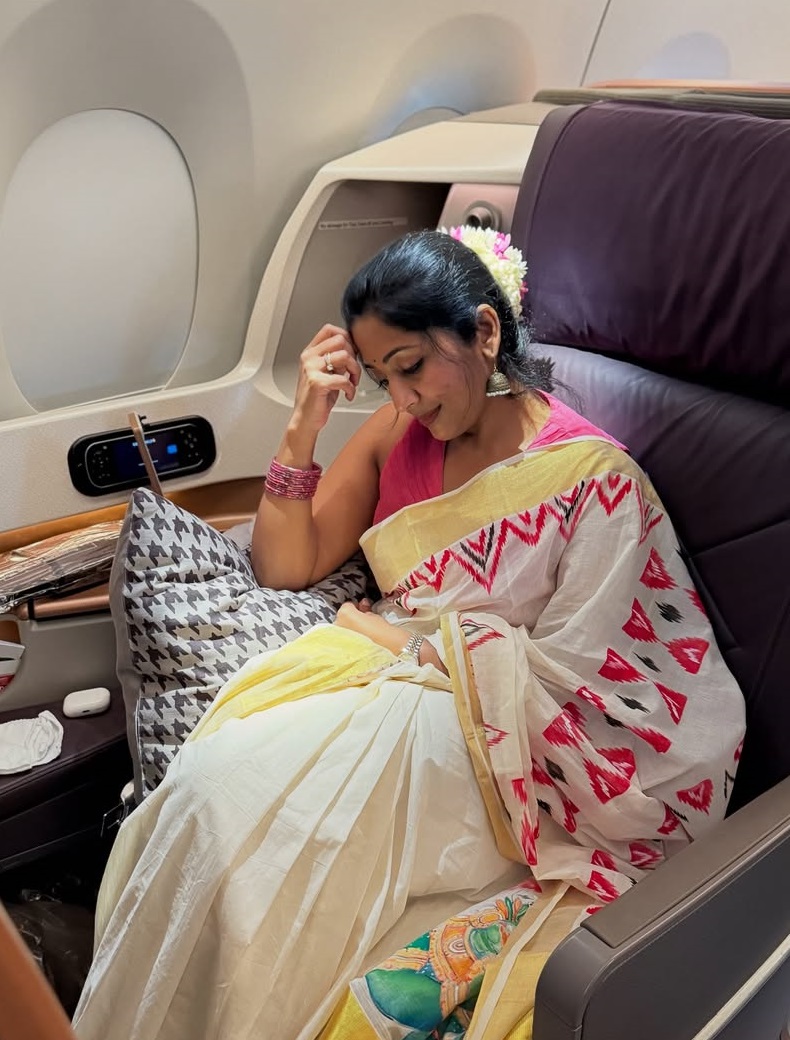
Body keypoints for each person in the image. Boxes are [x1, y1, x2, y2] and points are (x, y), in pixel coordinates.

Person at [73, 228, 745, 1040]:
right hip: (384, 683)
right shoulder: (399, 436)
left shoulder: (594, 481)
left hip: (495, 748)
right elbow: (287, 565)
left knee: (265, 838)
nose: (402, 399)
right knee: (208, 799)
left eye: (412, 366)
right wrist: (303, 425)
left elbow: (591, 691)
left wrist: (402, 643)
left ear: (484, 332)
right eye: (382, 376)